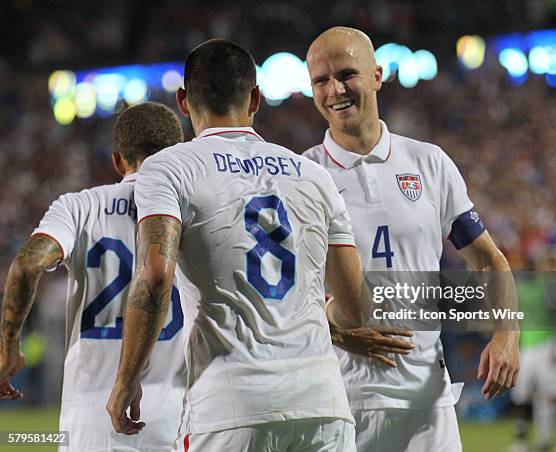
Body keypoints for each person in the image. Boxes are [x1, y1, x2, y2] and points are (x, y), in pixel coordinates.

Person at [106, 39, 369, 452]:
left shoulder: (170, 167)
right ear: (255, 98)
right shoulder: (314, 174)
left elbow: (156, 275)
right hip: (323, 405)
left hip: (230, 407)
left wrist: (126, 380)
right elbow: (355, 308)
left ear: (183, 101)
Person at [303, 26, 520, 451]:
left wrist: (506, 333)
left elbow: (488, 259)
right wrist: (335, 329)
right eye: (320, 81)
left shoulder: (428, 162)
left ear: (378, 75)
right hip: (339, 401)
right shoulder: (302, 175)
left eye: (347, 74)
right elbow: (283, 295)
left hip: (428, 401)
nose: (334, 90)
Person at [0, 102, 187, 451]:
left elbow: (26, 265)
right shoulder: (193, 209)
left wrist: (9, 345)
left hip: (90, 423)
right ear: (178, 153)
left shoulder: (79, 207)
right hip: (175, 421)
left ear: (117, 160)